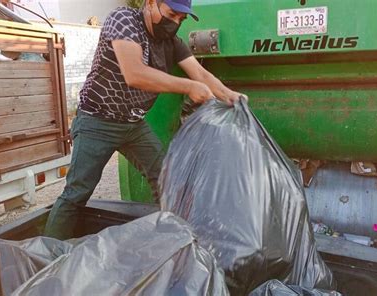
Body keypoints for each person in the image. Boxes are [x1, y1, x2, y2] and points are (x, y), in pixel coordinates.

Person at [44, 0, 244, 240]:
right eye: (171, 14)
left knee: (167, 180)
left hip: (133, 125)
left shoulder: (171, 43)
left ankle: (175, 243)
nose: (175, 23)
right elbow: (134, 73)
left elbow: (200, 73)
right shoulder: (125, 20)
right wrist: (189, 87)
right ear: (150, 3)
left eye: (182, 18)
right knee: (77, 192)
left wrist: (230, 96)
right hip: (97, 121)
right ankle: (46, 254)